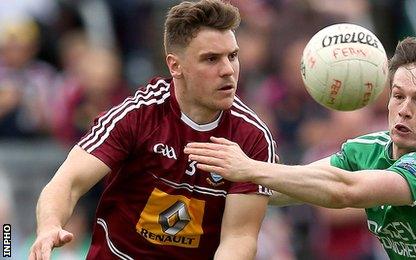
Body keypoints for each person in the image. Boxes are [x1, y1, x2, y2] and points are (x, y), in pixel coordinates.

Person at [186, 37, 416, 259]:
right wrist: (204, 184)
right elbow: (289, 188)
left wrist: (249, 167)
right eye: (398, 96)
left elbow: (346, 192)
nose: (405, 109)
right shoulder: (366, 149)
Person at [29, 1, 275, 259]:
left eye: (232, 56)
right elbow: (67, 183)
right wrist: (49, 227)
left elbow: (239, 238)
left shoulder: (252, 137)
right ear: (175, 66)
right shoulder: (137, 116)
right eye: (211, 59)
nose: (228, 70)